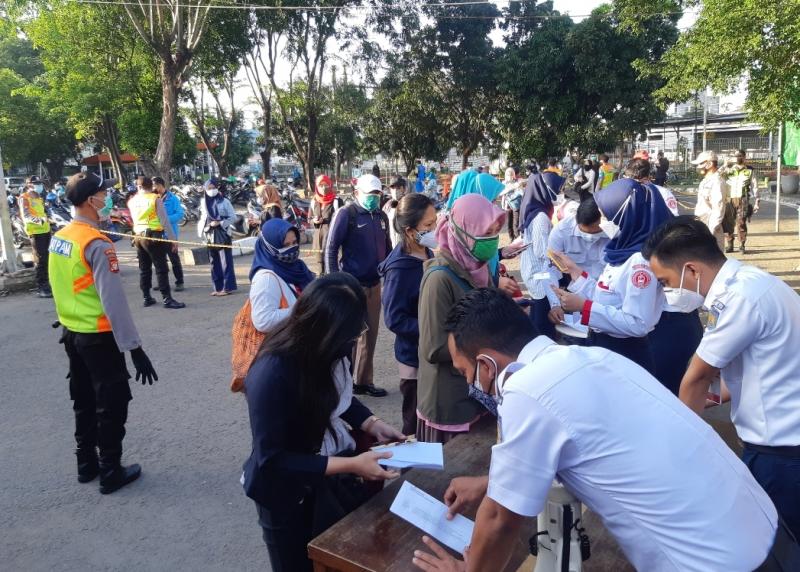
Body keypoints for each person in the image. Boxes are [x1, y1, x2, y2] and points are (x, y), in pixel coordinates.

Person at [411, 288, 791, 572]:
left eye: (465, 373)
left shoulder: (526, 391)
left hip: (716, 563)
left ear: (486, 364)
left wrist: (469, 570)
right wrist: (488, 483)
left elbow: (499, 520)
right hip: (769, 533)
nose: (470, 383)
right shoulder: (591, 358)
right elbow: (584, 445)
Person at [644, 216, 800, 542]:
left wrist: (678, 446)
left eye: (665, 280)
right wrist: (709, 398)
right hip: (780, 444)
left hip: (781, 452)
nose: (667, 290)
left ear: (692, 270)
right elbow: (751, 371)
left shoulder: (739, 298)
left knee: (779, 544)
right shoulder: (750, 283)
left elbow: (697, 377)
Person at [241, 273, 405, 572]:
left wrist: (372, 423)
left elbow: (335, 397)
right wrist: (352, 465)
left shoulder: (326, 351)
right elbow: (272, 460)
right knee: (296, 564)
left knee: (334, 553)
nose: (356, 340)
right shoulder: (272, 374)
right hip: (283, 495)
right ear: (325, 329)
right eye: (352, 334)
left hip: (322, 477)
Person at [49, 172, 159, 494]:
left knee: (83, 399)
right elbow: (114, 304)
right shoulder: (97, 244)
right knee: (111, 402)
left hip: (72, 333)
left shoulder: (61, 236)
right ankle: (111, 470)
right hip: (98, 337)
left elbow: (60, 285)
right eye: (102, 193)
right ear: (89, 201)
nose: (107, 198)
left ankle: (86, 464)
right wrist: (134, 348)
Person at [551, 178, 671, 374]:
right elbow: (608, 295)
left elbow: (637, 323)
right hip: (606, 344)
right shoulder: (621, 250)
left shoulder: (640, 261)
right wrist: (576, 274)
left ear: (627, 217)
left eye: (607, 216)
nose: (604, 223)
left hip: (625, 352)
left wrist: (583, 306)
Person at [416, 194, 506, 443]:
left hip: (477, 392)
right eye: (486, 233)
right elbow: (433, 348)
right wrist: (486, 341)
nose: (492, 240)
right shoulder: (439, 279)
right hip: (450, 401)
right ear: (464, 232)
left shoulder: (478, 267)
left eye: (495, 233)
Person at [622, 157, 700, 395]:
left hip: (667, 316)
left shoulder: (632, 197)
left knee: (659, 387)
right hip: (683, 315)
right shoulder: (663, 194)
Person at [325, 174, 392, 397]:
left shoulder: (381, 216)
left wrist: (391, 274)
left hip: (374, 285)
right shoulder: (346, 214)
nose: (374, 198)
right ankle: (342, 385)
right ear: (356, 194)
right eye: (369, 194)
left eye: (377, 194)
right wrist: (335, 282)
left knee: (370, 335)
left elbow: (389, 248)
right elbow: (331, 249)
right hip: (351, 286)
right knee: (348, 338)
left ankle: (363, 381)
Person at [378, 194, 437, 435]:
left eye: (435, 221)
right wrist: (431, 328)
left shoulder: (427, 253)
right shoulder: (400, 269)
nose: (435, 229)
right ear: (411, 231)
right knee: (414, 422)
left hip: (431, 351)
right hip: (414, 357)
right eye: (429, 225)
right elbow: (394, 318)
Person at [518, 171, 565, 339]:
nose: (560, 194)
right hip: (541, 274)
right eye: (558, 189)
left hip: (532, 271)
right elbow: (541, 251)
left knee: (538, 310)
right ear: (546, 190)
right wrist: (562, 259)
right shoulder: (541, 218)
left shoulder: (533, 208)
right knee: (543, 317)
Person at [249, 218, 315, 333]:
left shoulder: (298, 267)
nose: (292, 248)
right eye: (285, 245)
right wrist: (302, 310)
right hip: (282, 344)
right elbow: (263, 321)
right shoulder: (266, 278)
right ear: (269, 247)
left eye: (294, 243)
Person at [128, 176, 184, 309]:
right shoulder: (155, 199)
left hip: (138, 237)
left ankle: (147, 297)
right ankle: (167, 299)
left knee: (144, 269)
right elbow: (164, 221)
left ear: (139, 187)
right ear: (150, 187)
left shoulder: (132, 201)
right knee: (161, 268)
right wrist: (173, 240)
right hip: (154, 236)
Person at [547, 196, 609, 283]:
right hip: (576, 286)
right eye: (584, 232)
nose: (590, 237)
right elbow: (552, 266)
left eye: (594, 233)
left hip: (607, 286)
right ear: (576, 219)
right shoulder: (561, 231)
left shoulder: (614, 230)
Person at [198, 177, 238, 296]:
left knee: (226, 262)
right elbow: (202, 218)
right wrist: (202, 230)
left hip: (223, 234)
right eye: (209, 188)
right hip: (209, 235)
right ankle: (217, 287)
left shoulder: (224, 201)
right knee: (213, 262)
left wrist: (219, 222)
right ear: (205, 189)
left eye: (214, 187)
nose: (212, 190)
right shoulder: (203, 202)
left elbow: (233, 217)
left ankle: (227, 287)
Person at [18, 175, 52, 297]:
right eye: (36, 183)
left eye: (40, 183)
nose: (39, 185)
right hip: (35, 233)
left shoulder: (39, 197)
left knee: (47, 258)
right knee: (40, 260)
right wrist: (41, 221)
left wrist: (48, 219)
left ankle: (47, 283)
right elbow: (26, 216)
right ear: (29, 185)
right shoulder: (24, 198)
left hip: (46, 231)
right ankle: (41, 287)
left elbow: (43, 212)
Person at [724, 149, 760, 253]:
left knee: (741, 222)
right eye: (736, 156)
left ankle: (742, 245)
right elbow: (718, 175)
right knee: (728, 222)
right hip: (729, 198)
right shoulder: (729, 169)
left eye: (740, 156)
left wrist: (757, 201)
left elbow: (755, 186)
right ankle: (730, 244)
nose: (738, 157)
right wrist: (725, 165)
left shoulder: (750, 170)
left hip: (743, 198)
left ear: (744, 157)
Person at [153, 176, 185, 292]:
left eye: (156, 185)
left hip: (170, 234)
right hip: (156, 234)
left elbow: (180, 214)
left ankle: (179, 281)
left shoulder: (173, 198)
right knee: (159, 261)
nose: (154, 188)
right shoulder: (153, 198)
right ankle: (162, 282)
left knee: (174, 259)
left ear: (161, 185)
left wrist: (165, 219)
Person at [692, 150, 728, 249]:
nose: (699, 167)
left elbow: (718, 208)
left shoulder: (717, 182)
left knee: (712, 260)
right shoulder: (705, 181)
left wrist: (710, 232)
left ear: (710, 164)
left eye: (701, 163)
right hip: (702, 226)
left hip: (710, 229)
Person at [310, 174, 342, 274]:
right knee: (319, 269)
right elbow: (309, 219)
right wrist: (314, 221)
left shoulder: (336, 201)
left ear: (330, 185)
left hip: (331, 239)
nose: (324, 188)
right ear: (316, 187)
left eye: (326, 185)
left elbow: (342, 220)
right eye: (321, 185)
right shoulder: (314, 201)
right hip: (317, 241)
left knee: (331, 268)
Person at [383, 176, 407, 248]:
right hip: (392, 244)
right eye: (393, 188)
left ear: (404, 189)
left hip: (407, 245)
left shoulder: (409, 204)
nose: (395, 190)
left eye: (398, 188)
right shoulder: (387, 206)